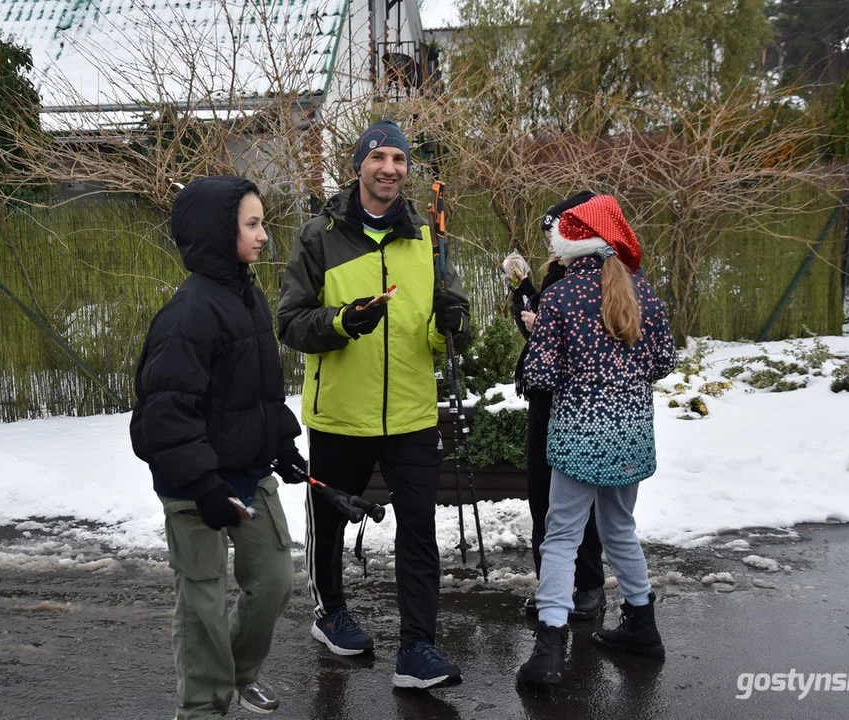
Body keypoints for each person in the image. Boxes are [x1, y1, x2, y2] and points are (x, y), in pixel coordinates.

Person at [277, 119, 470, 690]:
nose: (389, 168)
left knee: (418, 532)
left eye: (399, 159)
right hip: (341, 416)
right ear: (358, 165)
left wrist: (450, 326)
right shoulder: (319, 234)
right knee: (328, 524)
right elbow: (289, 322)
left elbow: (446, 326)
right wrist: (343, 321)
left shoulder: (427, 238)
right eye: (378, 157)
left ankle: (417, 650)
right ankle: (330, 612)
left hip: (411, 414)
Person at [129, 175, 308, 718]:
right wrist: (203, 484)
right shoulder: (187, 315)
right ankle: (203, 706)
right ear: (216, 232)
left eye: (262, 223)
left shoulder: (248, 294)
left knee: (274, 582)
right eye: (251, 225)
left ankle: (237, 675)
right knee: (203, 603)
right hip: (195, 488)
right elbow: (162, 418)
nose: (263, 236)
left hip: (249, 475)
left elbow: (258, 389)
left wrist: (280, 442)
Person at [515, 195, 677, 689]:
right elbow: (665, 361)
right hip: (629, 433)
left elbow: (540, 374)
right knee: (621, 530)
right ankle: (642, 627)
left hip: (579, 436)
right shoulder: (642, 292)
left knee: (561, 536)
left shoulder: (562, 296)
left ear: (575, 240)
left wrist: (554, 348)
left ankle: (549, 650)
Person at [503, 192, 607, 623]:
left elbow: (590, 345)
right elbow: (544, 342)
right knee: (542, 499)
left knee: (575, 505)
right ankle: (554, 589)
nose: (550, 245)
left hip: (576, 406)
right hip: (546, 402)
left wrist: (542, 323)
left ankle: (586, 588)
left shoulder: (601, 278)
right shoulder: (558, 275)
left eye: (556, 234)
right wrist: (522, 292)